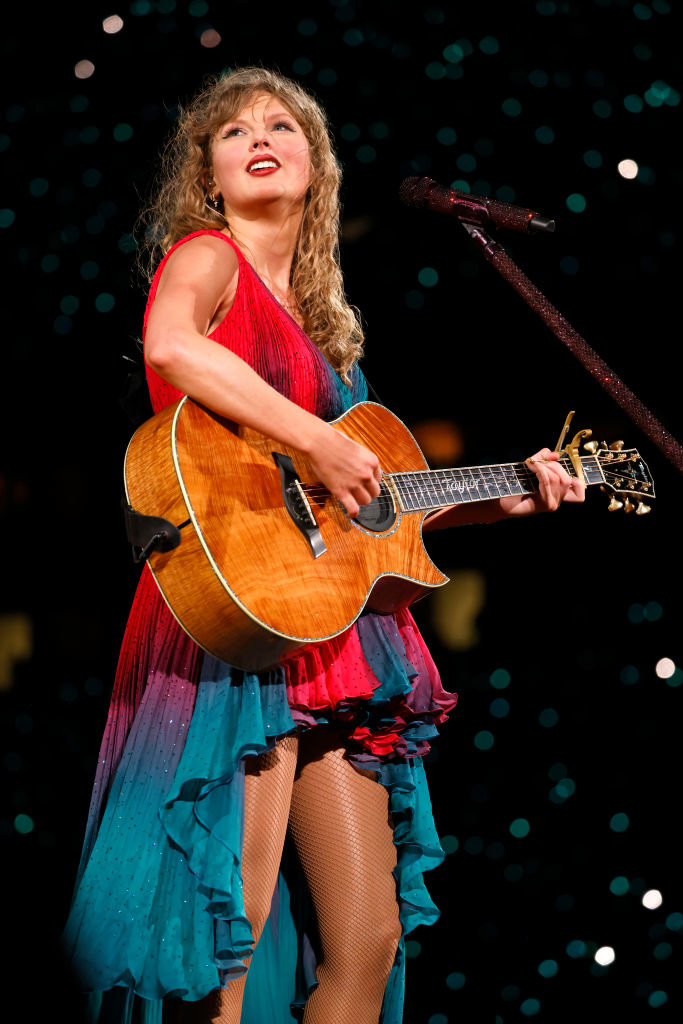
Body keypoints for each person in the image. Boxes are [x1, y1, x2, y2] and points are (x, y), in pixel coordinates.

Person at [62, 67, 584, 1024]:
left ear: (316, 165)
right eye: (231, 130)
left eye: (282, 125)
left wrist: (508, 496)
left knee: (368, 938)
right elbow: (173, 347)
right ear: (208, 176)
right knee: (238, 924)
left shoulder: (331, 336)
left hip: (334, 635)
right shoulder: (205, 255)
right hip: (239, 625)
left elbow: (371, 509)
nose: (258, 135)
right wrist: (315, 438)